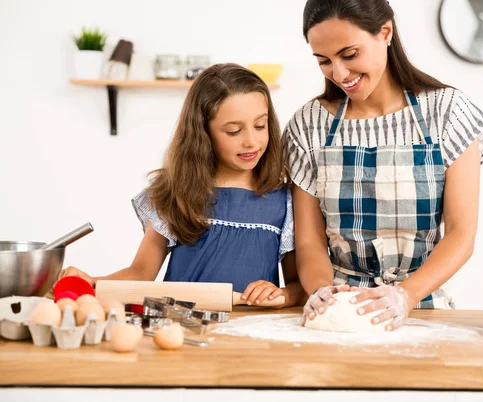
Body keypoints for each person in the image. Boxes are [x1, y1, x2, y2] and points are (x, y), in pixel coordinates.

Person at [285, 0, 483, 329]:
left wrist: (405, 296)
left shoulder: (448, 113)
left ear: (385, 32)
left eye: (349, 55)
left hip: (423, 310)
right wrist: (323, 292)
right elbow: (309, 243)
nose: (339, 74)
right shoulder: (309, 125)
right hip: (339, 312)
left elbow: (461, 234)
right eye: (324, 61)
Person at [59, 63, 304, 308]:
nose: (251, 141)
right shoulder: (178, 193)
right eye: (233, 131)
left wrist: (281, 294)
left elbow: (299, 286)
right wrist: (91, 283)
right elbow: (141, 273)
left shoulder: (284, 200)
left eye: (260, 126)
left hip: (250, 334)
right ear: (203, 133)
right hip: (179, 326)